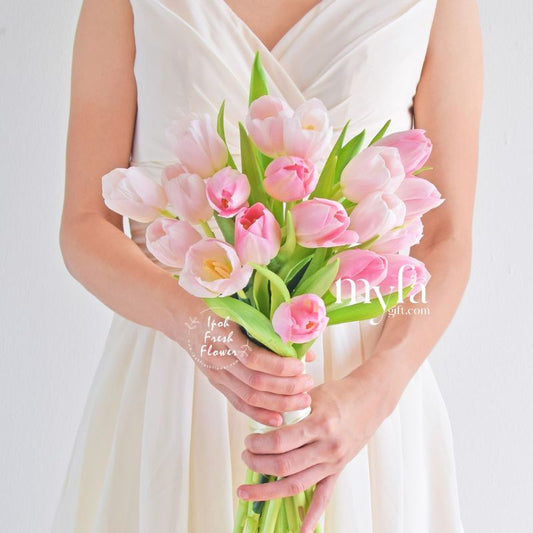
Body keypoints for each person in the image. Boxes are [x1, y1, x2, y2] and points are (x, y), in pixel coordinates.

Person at [52, 0, 483, 531]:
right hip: (178, 379)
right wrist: (192, 326)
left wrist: (375, 392)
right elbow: (84, 224)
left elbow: (446, 237)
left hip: (357, 404)